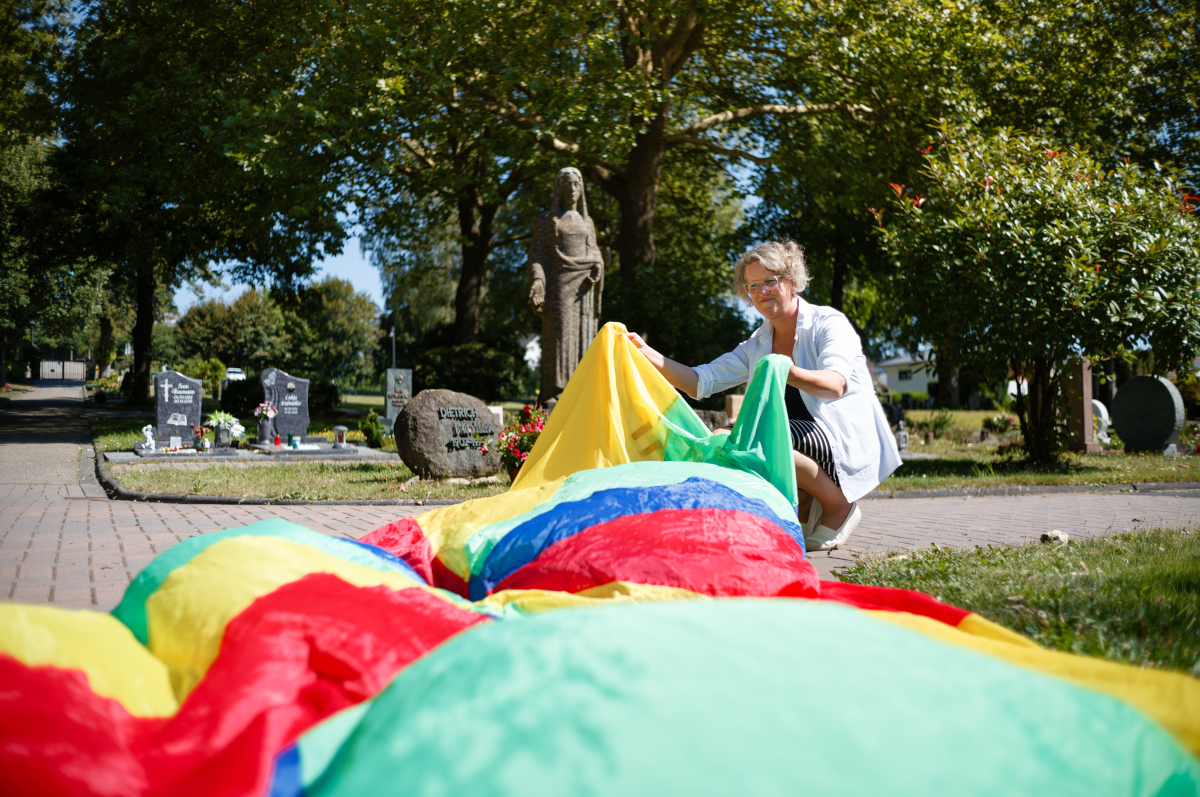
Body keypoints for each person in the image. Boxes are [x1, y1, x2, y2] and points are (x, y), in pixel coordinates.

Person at [626, 239, 900, 551]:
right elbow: (701, 381)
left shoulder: (827, 323)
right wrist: (647, 354)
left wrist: (786, 369)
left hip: (835, 427)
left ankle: (839, 507)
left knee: (763, 439)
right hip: (792, 428)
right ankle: (796, 506)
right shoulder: (758, 342)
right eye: (753, 285)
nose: (761, 292)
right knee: (719, 438)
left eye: (770, 281)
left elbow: (834, 384)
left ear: (792, 281)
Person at [527, 167, 605, 406]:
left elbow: (595, 252)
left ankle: (581, 390)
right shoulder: (548, 221)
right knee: (560, 337)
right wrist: (539, 282)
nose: (571, 190)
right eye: (567, 185)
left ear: (581, 189)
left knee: (584, 337)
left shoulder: (587, 222)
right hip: (560, 286)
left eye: (575, 185)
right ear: (558, 189)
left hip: (585, 288)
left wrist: (598, 265)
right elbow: (537, 255)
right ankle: (556, 392)